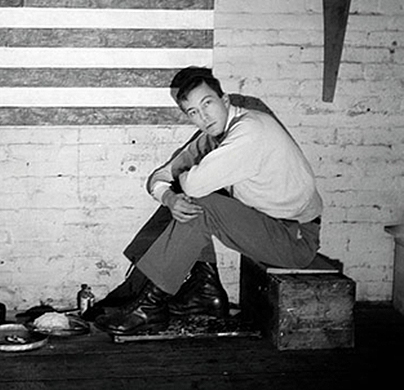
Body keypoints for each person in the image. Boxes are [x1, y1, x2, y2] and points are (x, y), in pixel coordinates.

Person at [95, 66, 323, 336]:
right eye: (193, 112)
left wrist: (179, 187)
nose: (203, 116)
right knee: (184, 202)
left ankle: (150, 307)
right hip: (268, 224)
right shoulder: (215, 135)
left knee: (199, 203)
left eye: (207, 104)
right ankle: (202, 291)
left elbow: (193, 184)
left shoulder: (249, 131)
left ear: (224, 101)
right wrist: (169, 197)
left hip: (294, 238)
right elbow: (161, 177)